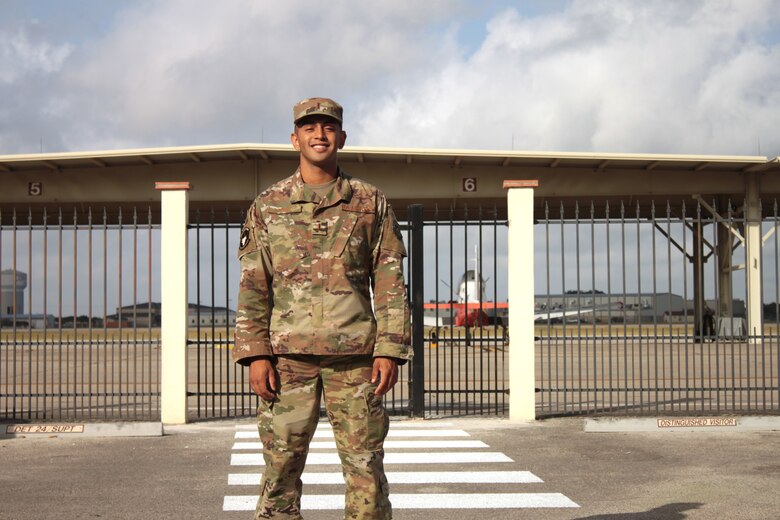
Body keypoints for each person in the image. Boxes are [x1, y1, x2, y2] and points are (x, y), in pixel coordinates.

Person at [233, 97, 412, 520]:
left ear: (342, 138)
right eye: (310, 128)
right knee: (280, 469)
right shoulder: (268, 204)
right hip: (287, 360)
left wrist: (389, 349)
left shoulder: (369, 202)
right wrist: (255, 354)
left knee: (365, 468)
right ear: (294, 138)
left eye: (328, 128)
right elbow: (254, 284)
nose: (319, 134)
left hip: (354, 360)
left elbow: (388, 281)